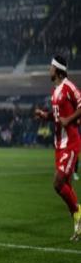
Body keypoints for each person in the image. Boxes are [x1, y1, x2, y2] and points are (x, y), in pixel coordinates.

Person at [34, 55, 81, 240]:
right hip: (59, 145)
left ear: (59, 70)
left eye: (51, 67)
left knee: (58, 183)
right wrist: (44, 115)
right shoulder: (55, 91)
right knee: (65, 186)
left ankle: (77, 212)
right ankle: (77, 223)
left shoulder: (69, 87)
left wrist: (69, 119)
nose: (49, 69)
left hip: (70, 143)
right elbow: (57, 117)